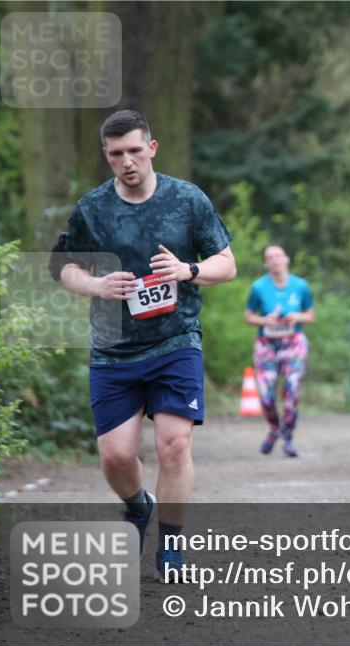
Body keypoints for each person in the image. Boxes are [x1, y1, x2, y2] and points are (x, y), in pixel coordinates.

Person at [52, 110, 236, 580]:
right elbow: (64, 268)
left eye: (135, 150)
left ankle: (170, 547)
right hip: (113, 348)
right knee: (116, 457)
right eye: (117, 154)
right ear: (107, 156)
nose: (127, 161)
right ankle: (138, 506)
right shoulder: (92, 208)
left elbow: (226, 264)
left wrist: (189, 270)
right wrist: (95, 286)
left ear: (151, 148)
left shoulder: (187, 199)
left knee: (174, 444)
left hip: (176, 341)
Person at [245, 244, 315, 457]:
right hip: (266, 344)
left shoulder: (300, 285)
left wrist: (298, 316)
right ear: (266, 263)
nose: (275, 260)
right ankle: (275, 428)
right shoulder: (258, 287)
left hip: (293, 343)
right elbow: (249, 316)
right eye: (270, 257)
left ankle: (288, 438)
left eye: (278, 256)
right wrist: (264, 320)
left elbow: (310, 315)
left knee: (291, 390)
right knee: (265, 394)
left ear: (286, 258)